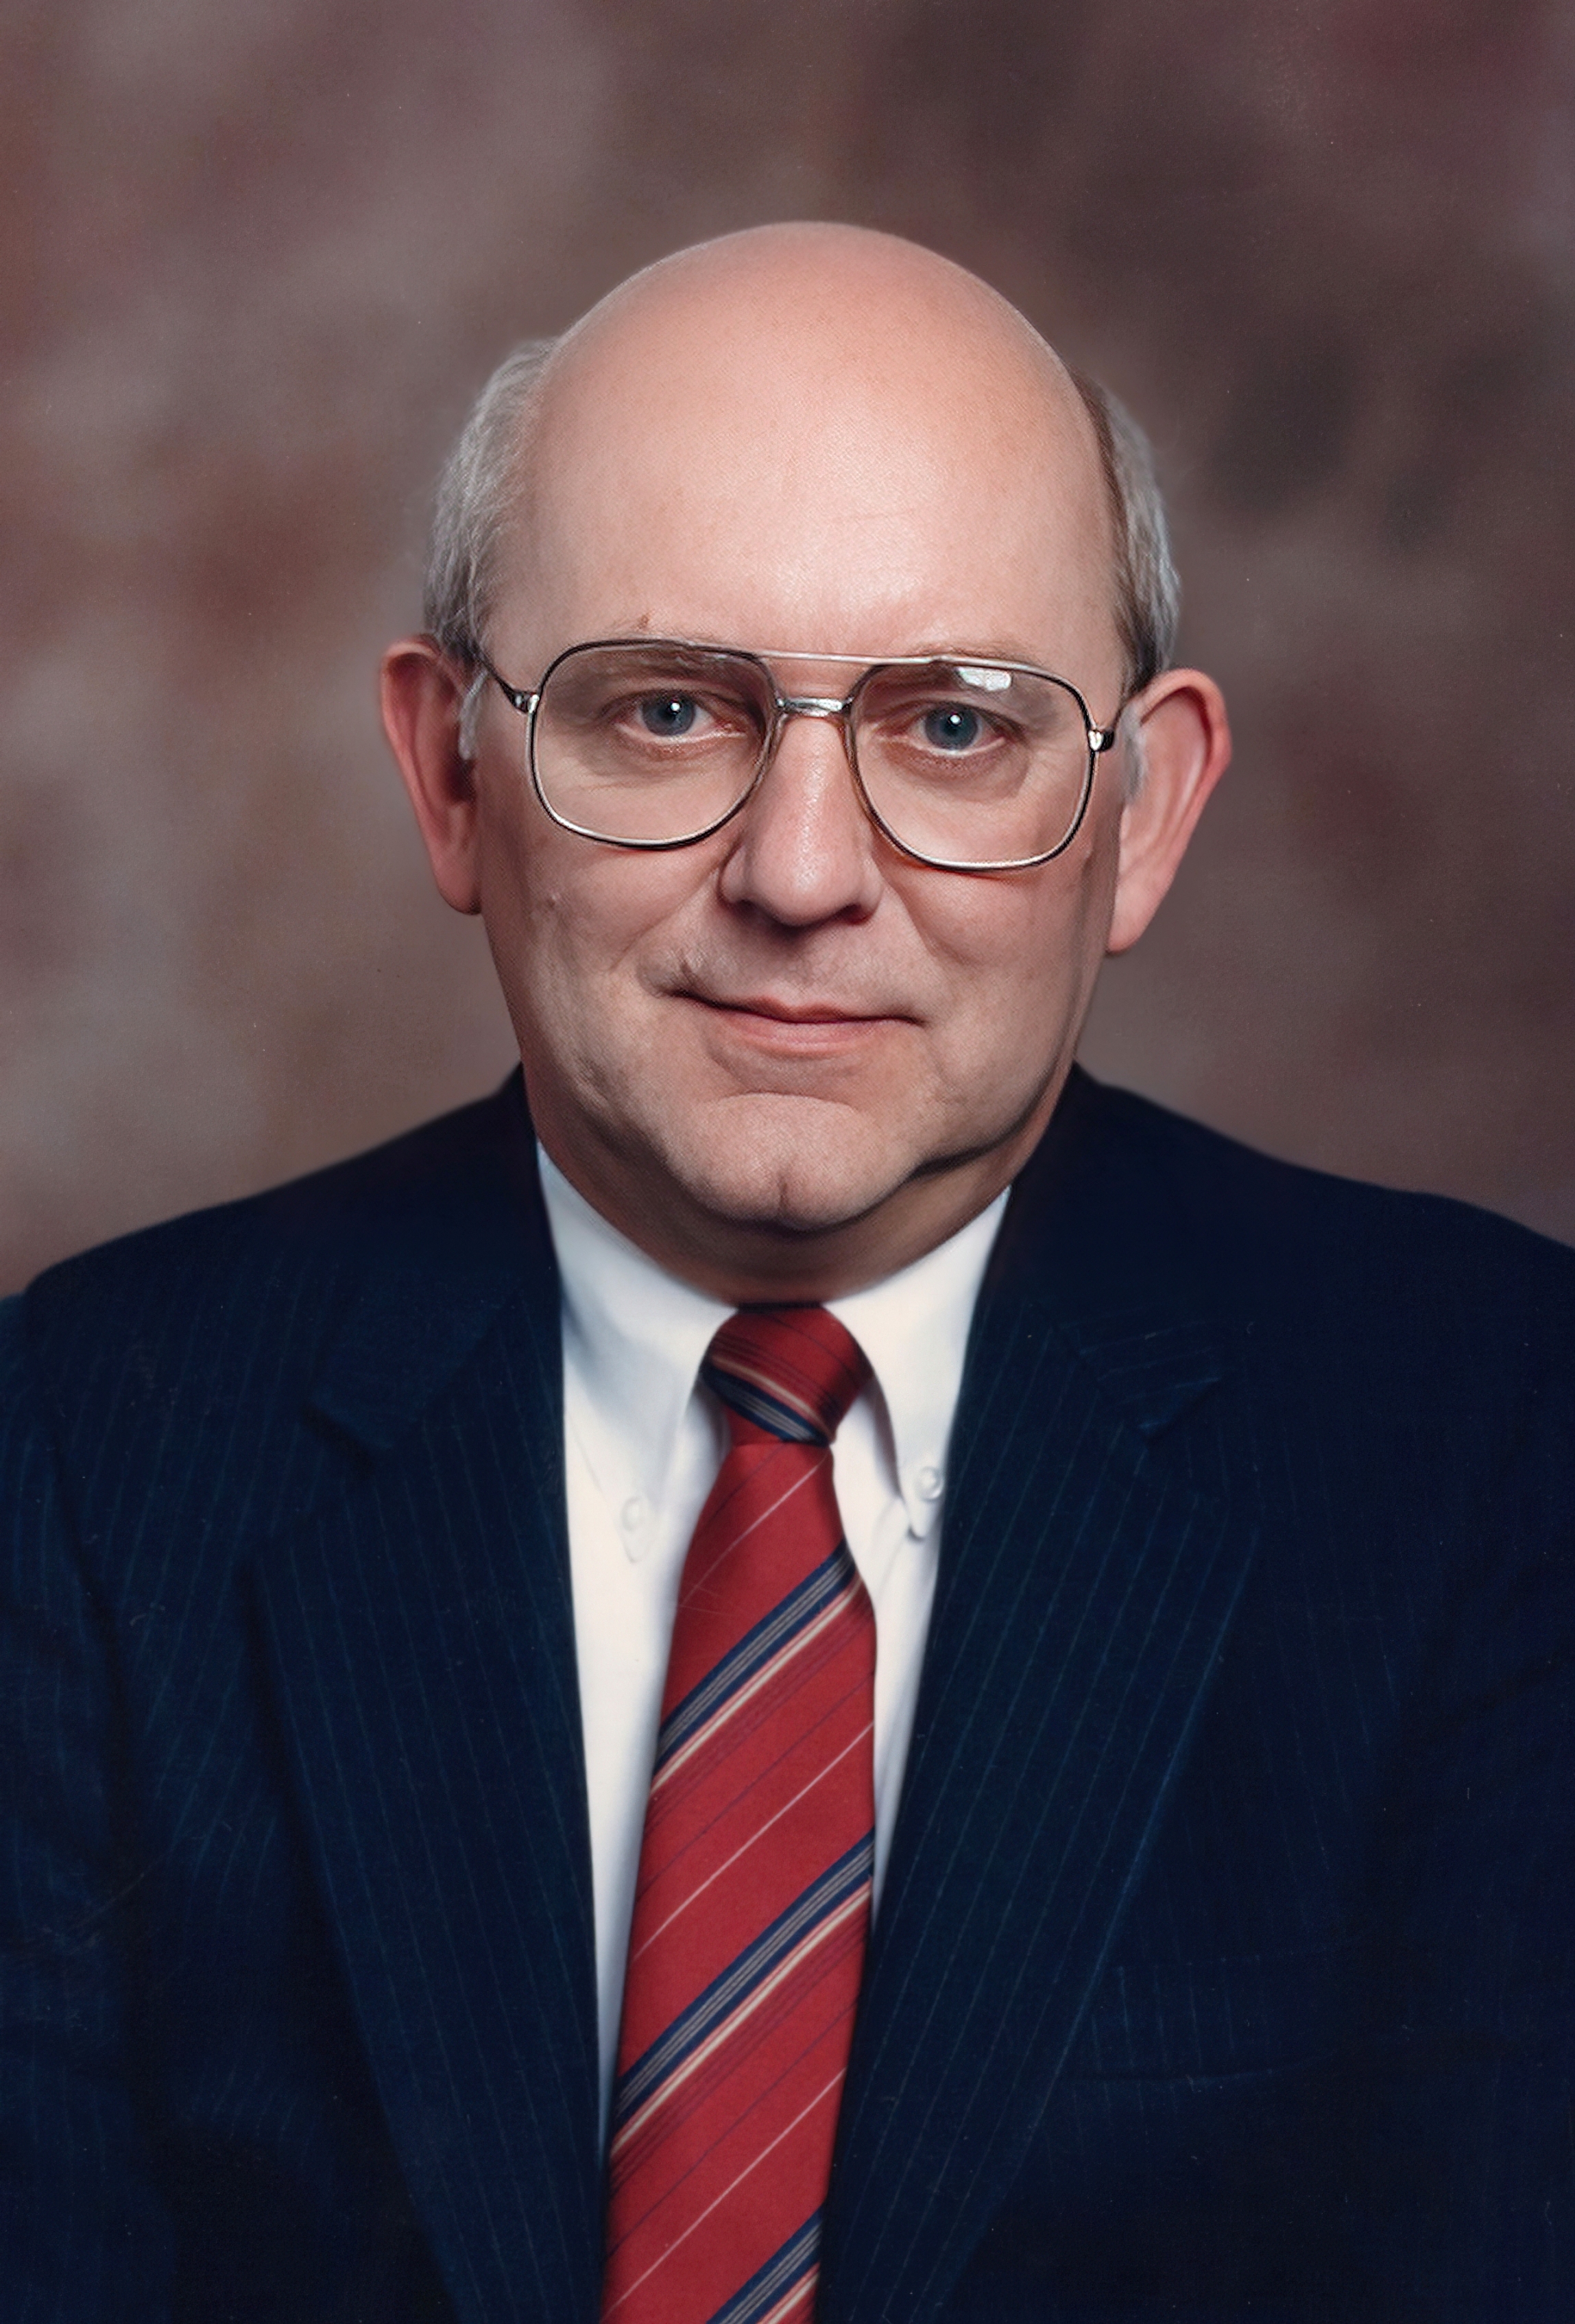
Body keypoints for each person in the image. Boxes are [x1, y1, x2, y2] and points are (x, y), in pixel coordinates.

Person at [2, 223, 1571, 2324]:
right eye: (664, 710)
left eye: (955, 729)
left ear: (1144, 813)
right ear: (450, 772)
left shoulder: (1498, 1447)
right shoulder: (76, 1456)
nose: (803, 874)